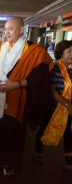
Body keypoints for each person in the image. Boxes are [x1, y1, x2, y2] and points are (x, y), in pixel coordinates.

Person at [0, 17, 53, 176]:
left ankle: (11, 163)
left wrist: (16, 84)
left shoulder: (34, 50)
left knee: (14, 132)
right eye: (5, 29)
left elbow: (40, 79)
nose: (6, 32)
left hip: (19, 97)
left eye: (10, 28)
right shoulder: (1, 47)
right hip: (1, 94)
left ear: (21, 29)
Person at [33, 40, 72, 169]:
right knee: (44, 129)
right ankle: (38, 152)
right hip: (53, 108)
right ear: (61, 53)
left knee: (69, 134)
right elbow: (52, 91)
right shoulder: (54, 68)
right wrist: (66, 104)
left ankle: (69, 160)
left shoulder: (70, 70)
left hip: (67, 109)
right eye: (69, 51)